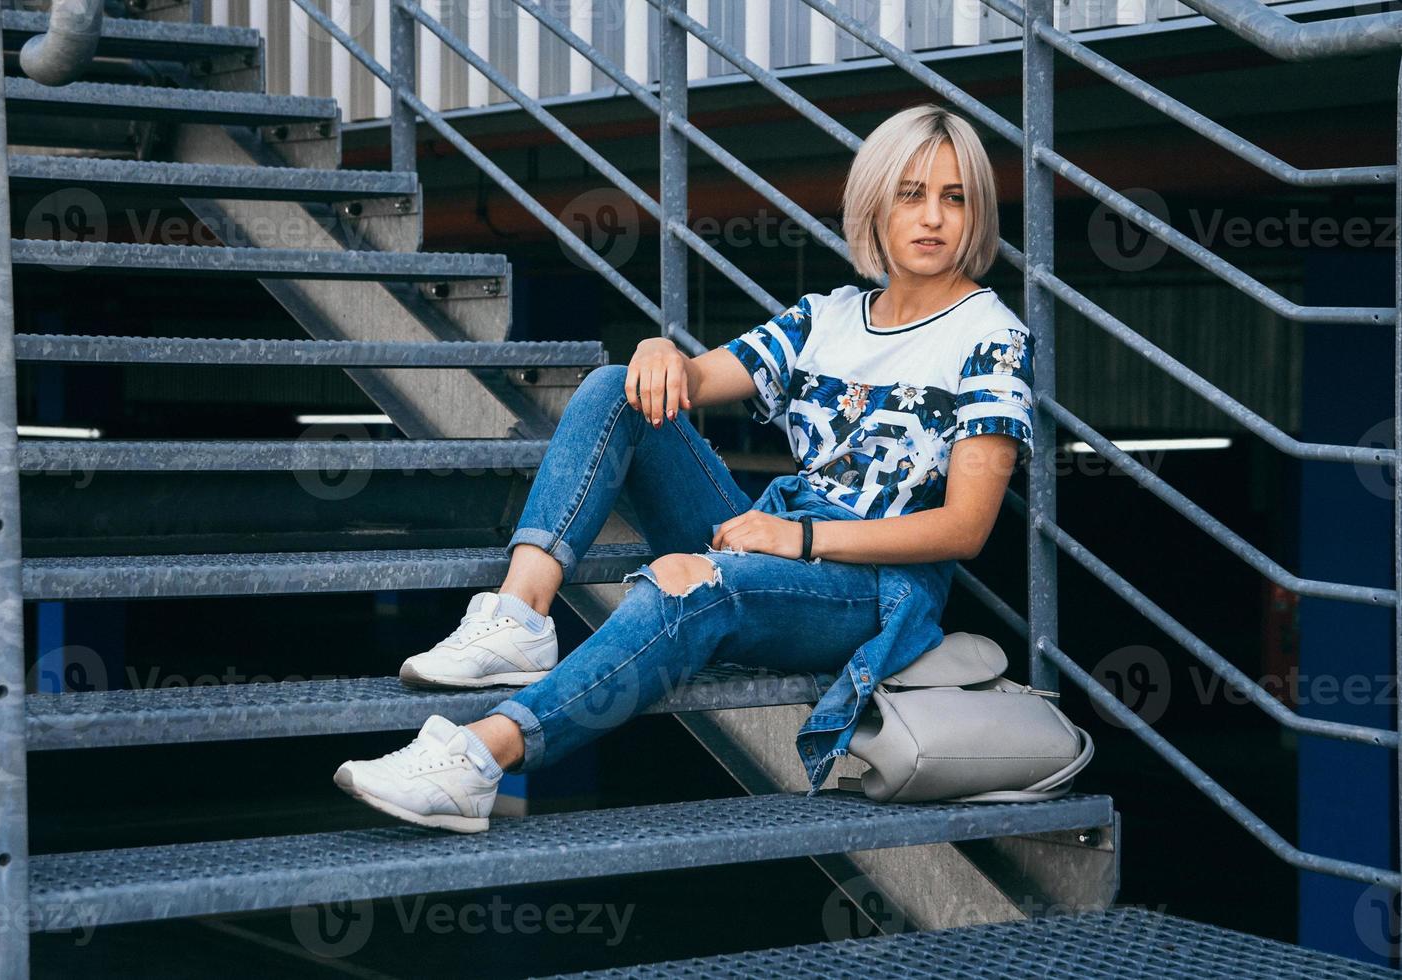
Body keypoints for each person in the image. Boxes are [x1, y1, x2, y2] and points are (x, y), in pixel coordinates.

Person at [333, 104, 1035, 834]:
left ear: (976, 213)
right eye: (911, 194)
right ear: (875, 205)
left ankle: (477, 759)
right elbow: (688, 383)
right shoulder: (827, 318)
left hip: (872, 589)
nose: (933, 218)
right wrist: (658, 351)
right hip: (779, 535)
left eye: (955, 198)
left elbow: (964, 527)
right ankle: (518, 616)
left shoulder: (990, 339)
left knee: (695, 588)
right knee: (615, 388)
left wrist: (793, 542)